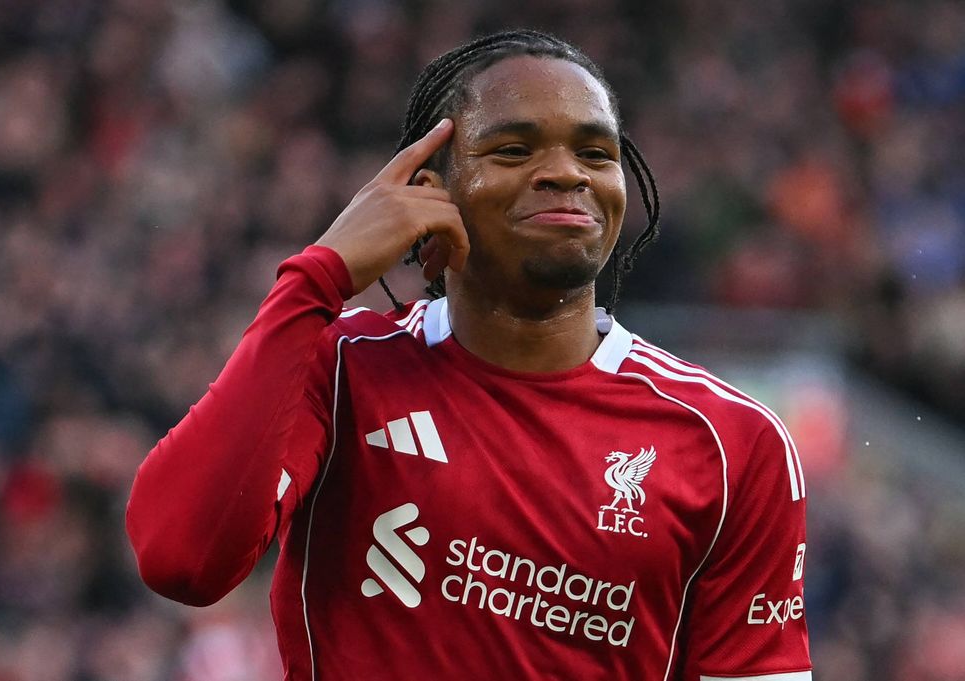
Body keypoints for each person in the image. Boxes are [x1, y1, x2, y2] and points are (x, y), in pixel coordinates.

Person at [126, 29, 812, 681]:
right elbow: (182, 557)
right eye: (513, 150)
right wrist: (317, 277)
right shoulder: (341, 371)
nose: (565, 173)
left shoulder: (731, 443)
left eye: (596, 153)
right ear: (428, 194)